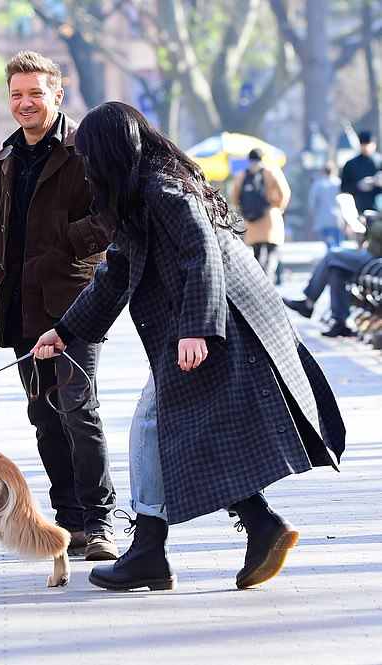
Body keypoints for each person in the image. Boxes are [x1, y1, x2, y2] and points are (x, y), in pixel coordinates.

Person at [32, 101, 346, 592]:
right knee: (185, 429)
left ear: (112, 149)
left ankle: (153, 550)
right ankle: (250, 525)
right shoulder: (139, 192)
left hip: (220, 323)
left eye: (89, 155)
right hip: (203, 323)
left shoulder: (163, 188)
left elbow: (202, 252)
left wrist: (196, 328)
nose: (86, 166)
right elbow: (114, 274)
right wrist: (64, 332)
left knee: (155, 425)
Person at [0, 51, 118, 560]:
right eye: (17, 94)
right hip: (20, 310)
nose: (25, 103)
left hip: (75, 306)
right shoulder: (6, 158)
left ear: (58, 95)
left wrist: (58, 243)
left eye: (36, 93)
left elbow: (109, 219)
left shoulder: (86, 151)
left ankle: (101, 522)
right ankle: (70, 523)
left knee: (79, 410)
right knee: (44, 415)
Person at [283, 207, 382, 337]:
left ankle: (309, 303)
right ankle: (340, 322)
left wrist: (372, 223)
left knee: (332, 256)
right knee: (336, 271)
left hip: (375, 258)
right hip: (370, 255)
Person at [231, 147, 291, 283]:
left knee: (256, 253)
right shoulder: (271, 172)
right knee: (272, 251)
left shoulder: (241, 175)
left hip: (252, 220)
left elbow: (234, 197)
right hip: (270, 217)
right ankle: (269, 278)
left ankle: (258, 281)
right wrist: (278, 208)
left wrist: (244, 210)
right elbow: (285, 193)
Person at [340, 130, 382, 215]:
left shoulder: (380, 162)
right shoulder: (351, 164)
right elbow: (343, 187)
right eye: (363, 145)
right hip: (358, 210)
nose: (366, 148)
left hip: (379, 210)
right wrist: (358, 186)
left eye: (368, 144)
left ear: (374, 144)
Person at [308, 162, 344, 249]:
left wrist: (313, 215)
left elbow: (311, 203)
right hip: (338, 218)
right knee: (338, 244)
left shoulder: (318, 184)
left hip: (323, 218)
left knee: (329, 245)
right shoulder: (339, 183)